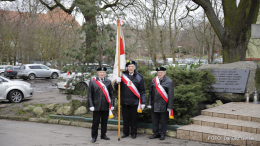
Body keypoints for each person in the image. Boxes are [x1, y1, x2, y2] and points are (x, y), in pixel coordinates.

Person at [114, 61, 146, 139]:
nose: (131, 68)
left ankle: (133, 133)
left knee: (134, 118)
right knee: (125, 118)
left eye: (132, 66)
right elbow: (116, 88)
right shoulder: (122, 76)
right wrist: (117, 82)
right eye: (129, 66)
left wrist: (143, 102)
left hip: (134, 102)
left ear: (134, 67)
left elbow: (142, 91)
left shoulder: (139, 77)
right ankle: (125, 133)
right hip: (124, 101)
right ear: (127, 68)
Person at [88, 67, 114, 143]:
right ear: (97, 73)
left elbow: (112, 94)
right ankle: (94, 136)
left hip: (106, 105)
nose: (102, 73)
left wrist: (112, 104)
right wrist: (91, 105)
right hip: (96, 106)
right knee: (95, 122)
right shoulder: (93, 81)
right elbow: (90, 95)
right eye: (100, 72)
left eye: (103, 72)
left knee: (104, 121)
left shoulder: (108, 82)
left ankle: (103, 135)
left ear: (105, 73)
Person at [147, 66, 174, 140]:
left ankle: (162, 134)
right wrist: (149, 103)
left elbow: (171, 95)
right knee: (154, 121)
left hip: (164, 105)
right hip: (154, 104)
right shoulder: (154, 80)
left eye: (161, 72)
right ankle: (155, 133)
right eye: (158, 72)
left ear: (164, 73)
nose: (160, 74)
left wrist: (170, 106)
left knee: (163, 121)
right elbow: (150, 93)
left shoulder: (169, 81)